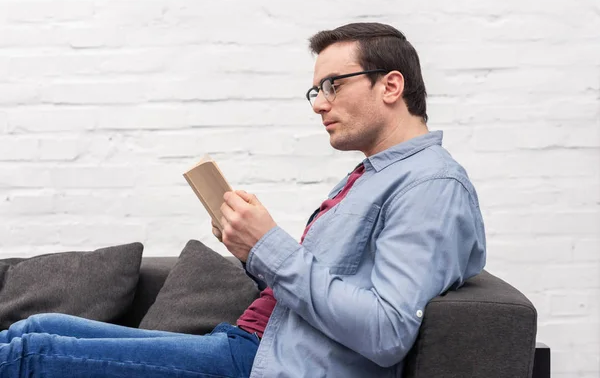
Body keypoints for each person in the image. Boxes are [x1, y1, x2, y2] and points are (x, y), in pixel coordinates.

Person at [0, 22, 486, 377]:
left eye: (333, 85)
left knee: (32, 356)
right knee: (35, 327)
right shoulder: (375, 174)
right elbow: (326, 283)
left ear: (391, 85)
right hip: (250, 340)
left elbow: (385, 331)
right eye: (316, 89)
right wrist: (252, 252)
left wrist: (270, 245)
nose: (319, 102)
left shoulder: (431, 187)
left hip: (260, 362)